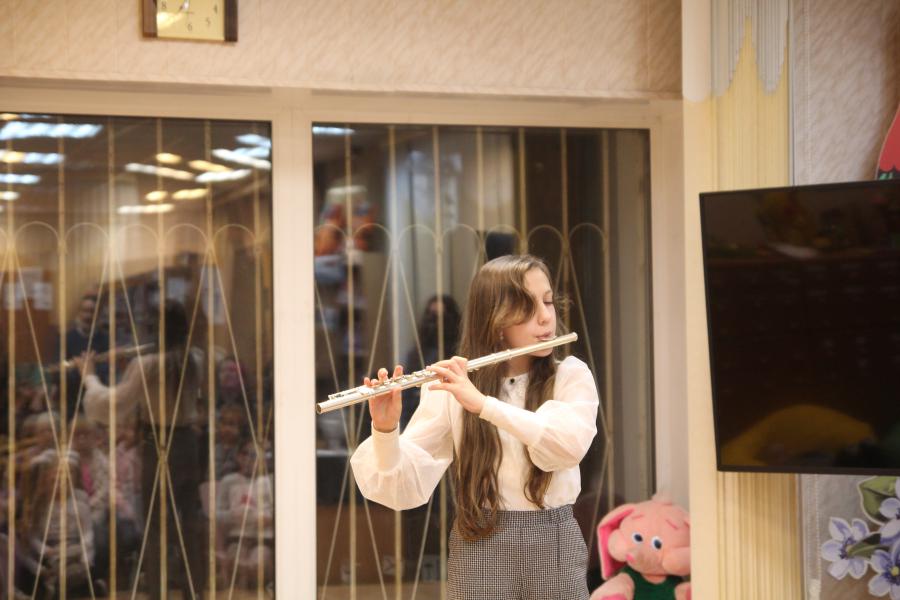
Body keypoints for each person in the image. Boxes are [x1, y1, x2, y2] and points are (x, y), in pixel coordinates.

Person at [350, 254, 600, 599]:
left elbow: (565, 446)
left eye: (547, 302)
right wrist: (385, 430)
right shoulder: (454, 388)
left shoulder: (570, 376)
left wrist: (484, 405)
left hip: (553, 539)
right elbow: (406, 484)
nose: (546, 317)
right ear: (495, 319)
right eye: (528, 307)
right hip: (480, 539)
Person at [75, 301, 204, 599]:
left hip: (159, 444)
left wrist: (89, 376)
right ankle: (194, 592)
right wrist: (132, 367)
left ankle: (157, 593)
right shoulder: (195, 358)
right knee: (190, 522)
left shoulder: (147, 364)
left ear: (157, 329)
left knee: (156, 526)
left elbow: (113, 404)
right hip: (188, 443)